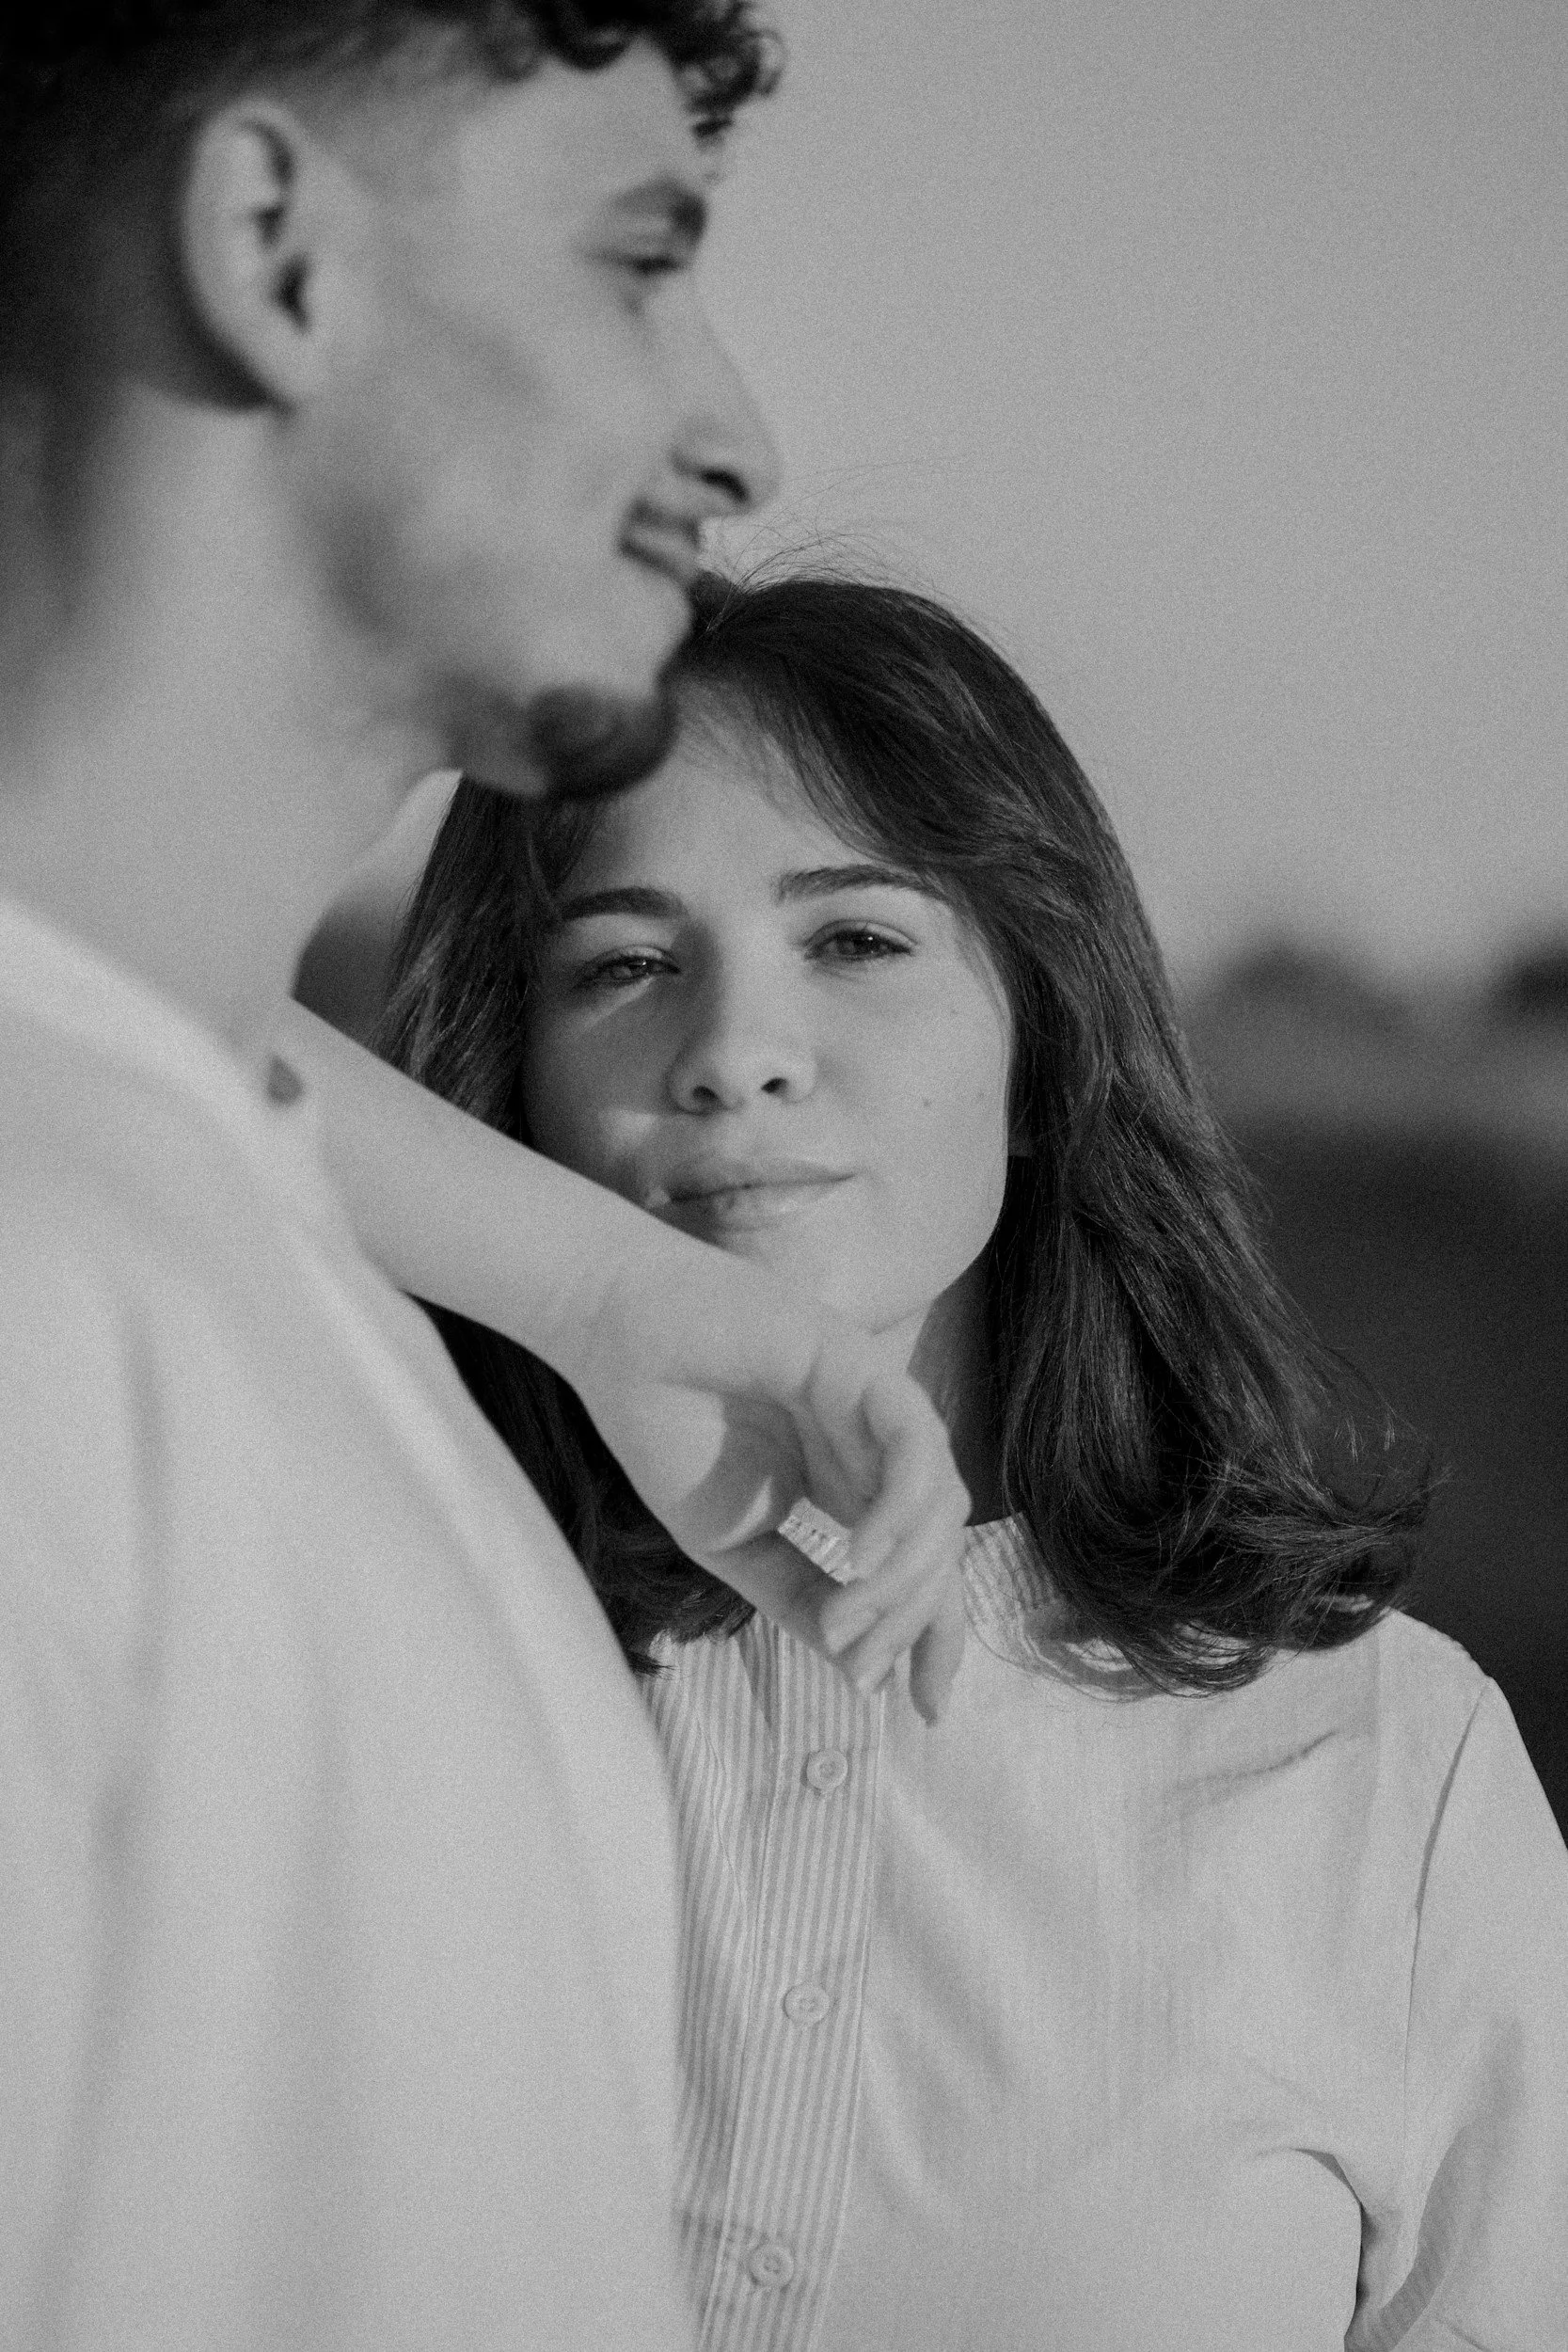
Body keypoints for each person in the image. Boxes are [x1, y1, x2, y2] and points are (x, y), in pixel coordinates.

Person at [288, 570, 1568, 2351]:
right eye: (625, 965)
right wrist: (590, 1291)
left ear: (1042, 1047)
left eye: (858, 941)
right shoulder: (338, 1655)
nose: (731, 1054)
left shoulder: (1387, 1781)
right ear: (515, 1085)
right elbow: (72, 997)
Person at [0, 14, 974, 2347]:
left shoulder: (225, 1221)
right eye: (638, 259)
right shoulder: (42, 1295)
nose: (730, 432)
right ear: (271, 251)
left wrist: (616, 1289)